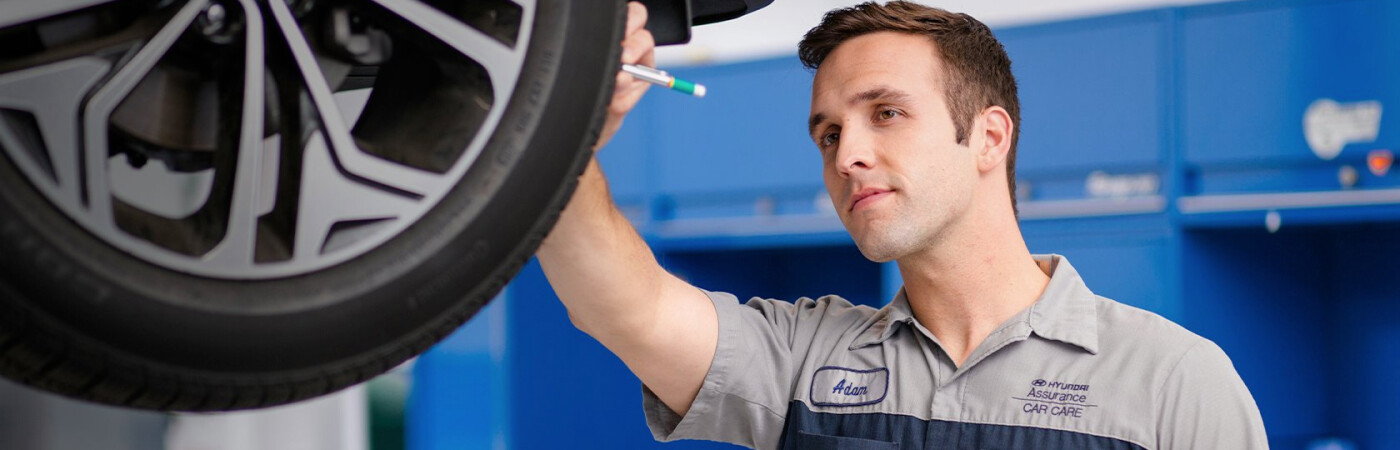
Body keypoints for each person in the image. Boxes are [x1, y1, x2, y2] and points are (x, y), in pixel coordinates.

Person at [536, 1, 1269, 449]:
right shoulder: (802, 363)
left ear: (989, 137)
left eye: (885, 113)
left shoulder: (1174, 383)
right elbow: (618, 305)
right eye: (827, 133)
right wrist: (562, 118)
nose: (848, 154)